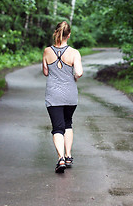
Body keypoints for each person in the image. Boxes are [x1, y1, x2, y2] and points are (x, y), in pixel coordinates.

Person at [42, 21, 83, 173]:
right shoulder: (74, 53)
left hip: (53, 95)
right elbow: (78, 72)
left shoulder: (47, 51)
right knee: (68, 123)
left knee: (57, 127)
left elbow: (46, 72)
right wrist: (74, 76)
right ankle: (68, 155)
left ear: (56, 33)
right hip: (70, 95)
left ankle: (60, 159)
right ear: (69, 34)